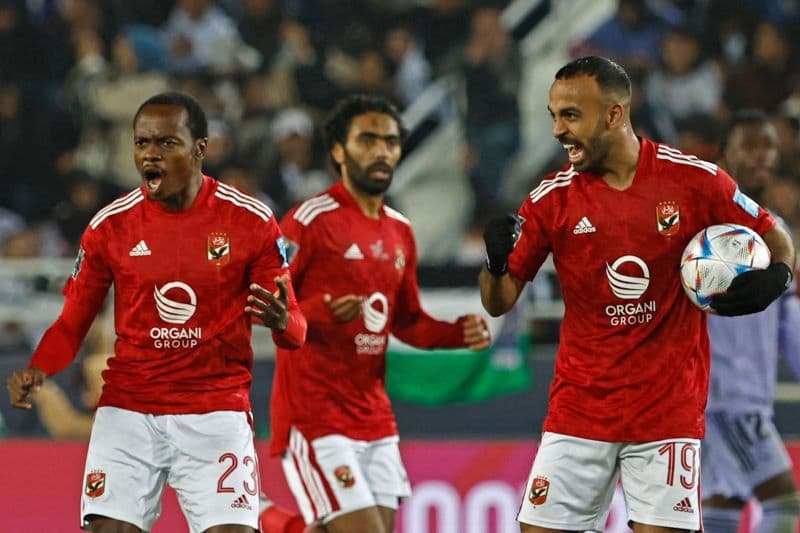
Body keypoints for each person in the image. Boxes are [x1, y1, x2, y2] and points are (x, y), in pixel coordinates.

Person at [479, 56, 795, 533]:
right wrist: (495, 263)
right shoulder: (551, 199)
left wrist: (779, 276)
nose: (558, 131)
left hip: (666, 415)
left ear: (613, 114)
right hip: (579, 412)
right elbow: (498, 300)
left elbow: (775, 233)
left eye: (571, 116)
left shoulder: (694, 180)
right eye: (554, 116)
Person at [5, 91, 306, 533]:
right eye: (142, 143)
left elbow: (296, 329)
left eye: (166, 142)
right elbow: (72, 324)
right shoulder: (111, 225)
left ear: (200, 149)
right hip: (129, 412)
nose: (150, 154)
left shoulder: (251, 221)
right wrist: (38, 367)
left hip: (214, 411)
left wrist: (281, 324)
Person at [264, 94, 492, 533]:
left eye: (390, 141)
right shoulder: (308, 220)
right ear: (338, 150)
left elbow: (405, 321)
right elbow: (269, 308)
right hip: (314, 414)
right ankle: (266, 519)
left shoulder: (400, 230)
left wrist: (455, 333)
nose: (382, 151)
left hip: (373, 416)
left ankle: (266, 520)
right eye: (368, 140)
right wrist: (323, 311)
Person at [702, 109, 800, 533]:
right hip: (724, 396)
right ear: (725, 154)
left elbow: (787, 319)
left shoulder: (778, 231)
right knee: (783, 502)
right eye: (750, 146)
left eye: (769, 146)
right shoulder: (706, 230)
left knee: (724, 503)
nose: (763, 155)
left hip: (748, 395)